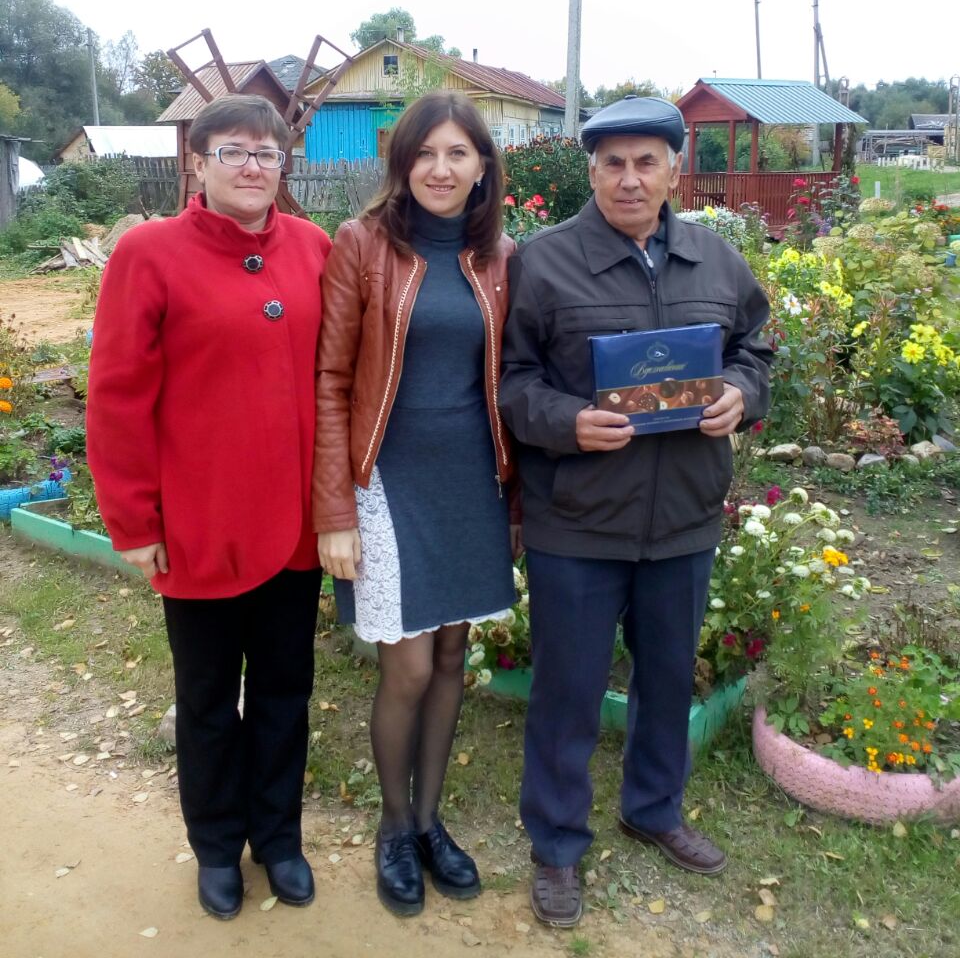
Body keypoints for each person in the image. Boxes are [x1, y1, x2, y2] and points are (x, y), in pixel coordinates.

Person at [498, 95, 773, 928]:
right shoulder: (543, 264)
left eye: (645, 161)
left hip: (684, 516)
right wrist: (567, 423)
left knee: (664, 679)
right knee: (568, 691)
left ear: (674, 169)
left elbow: (754, 351)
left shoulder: (716, 262)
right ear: (591, 170)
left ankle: (653, 810)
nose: (629, 178)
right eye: (612, 163)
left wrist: (740, 394)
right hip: (577, 519)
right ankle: (555, 843)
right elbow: (511, 384)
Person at [86, 95, 331, 921]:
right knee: (205, 699)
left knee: (285, 691)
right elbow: (117, 398)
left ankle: (281, 838)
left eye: (268, 153)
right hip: (198, 527)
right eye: (234, 151)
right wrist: (133, 520)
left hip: (293, 530)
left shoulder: (313, 248)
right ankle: (217, 846)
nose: (254, 166)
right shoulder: (148, 254)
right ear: (196, 162)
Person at [313, 91, 519, 918]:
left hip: (472, 482)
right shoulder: (361, 245)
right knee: (404, 666)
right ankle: (395, 827)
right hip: (385, 484)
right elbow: (330, 381)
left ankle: (433, 822)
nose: (441, 168)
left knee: (450, 663)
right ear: (402, 165)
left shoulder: (501, 254)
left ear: (481, 168)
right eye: (425, 153)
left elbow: (517, 376)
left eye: (458, 154)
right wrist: (334, 509)